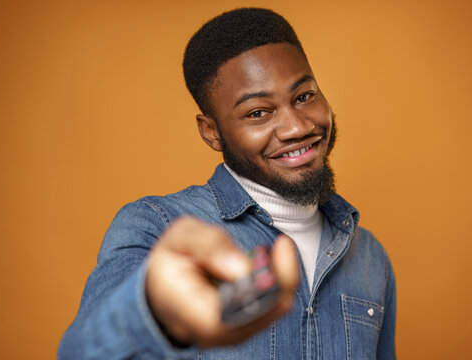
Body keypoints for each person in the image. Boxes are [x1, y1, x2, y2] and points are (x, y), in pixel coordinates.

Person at [58, 7, 396, 360]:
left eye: (304, 96)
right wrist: (156, 314)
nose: (297, 127)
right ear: (212, 132)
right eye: (257, 113)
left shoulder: (370, 257)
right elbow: (80, 353)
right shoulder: (155, 227)